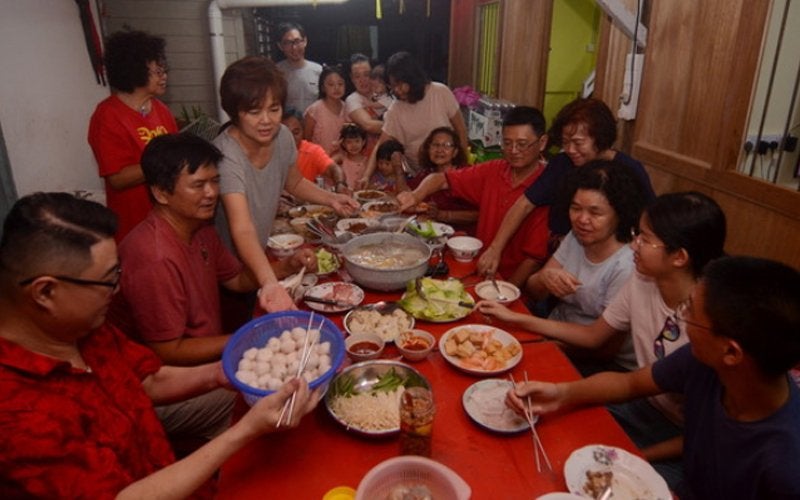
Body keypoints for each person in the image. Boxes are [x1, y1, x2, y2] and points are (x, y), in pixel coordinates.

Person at [0, 192, 318, 498]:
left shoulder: (76, 328)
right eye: (109, 279)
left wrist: (220, 373)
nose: (118, 289)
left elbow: (147, 379)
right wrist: (245, 431)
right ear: (45, 293)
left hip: (165, 469)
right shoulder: (16, 414)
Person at [480, 191, 727, 487]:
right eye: (638, 233)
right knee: (546, 437)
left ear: (680, 257)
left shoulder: (709, 326)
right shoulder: (644, 278)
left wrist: (634, 457)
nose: (633, 244)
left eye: (644, 239)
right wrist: (520, 323)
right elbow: (602, 345)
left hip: (685, 444)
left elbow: (709, 437)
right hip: (641, 404)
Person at [507, 256, 800, 498]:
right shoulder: (707, 362)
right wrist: (561, 394)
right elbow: (629, 383)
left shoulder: (786, 464)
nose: (680, 317)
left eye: (690, 312)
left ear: (732, 353)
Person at [214, 56, 359, 313]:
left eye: (274, 108)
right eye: (254, 111)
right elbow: (243, 227)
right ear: (234, 111)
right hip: (226, 265)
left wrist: (331, 198)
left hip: (258, 255)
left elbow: (294, 181)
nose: (267, 120)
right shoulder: (226, 155)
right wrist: (270, 282)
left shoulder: (281, 136)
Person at [477, 97, 656, 276]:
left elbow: (650, 221)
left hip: (609, 261)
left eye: (578, 143)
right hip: (562, 254)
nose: (570, 149)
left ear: (600, 138)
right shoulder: (562, 164)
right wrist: (495, 249)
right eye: (565, 142)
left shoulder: (630, 170)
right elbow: (524, 204)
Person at [397, 106, 550, 287]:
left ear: (542, 142)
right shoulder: (494, 170)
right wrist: (415, 195)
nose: (513, 150)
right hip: (477, 270)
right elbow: (441, 179)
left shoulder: (546, 185)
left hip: (510, 282)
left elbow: (533, 258)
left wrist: (509, 292)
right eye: (507, 143)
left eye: (522, 144)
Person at [527, 160, 646, 367]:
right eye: (576, 208)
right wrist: (544, 278)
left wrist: (544, 344)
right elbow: (534, 290)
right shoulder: (576, 236)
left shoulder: (627, 265)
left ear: (620, 214)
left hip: (597, 362)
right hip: (553, 328)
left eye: (595, 213)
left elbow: (605, 350)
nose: (582, 219)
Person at [88, 30, 178, 243]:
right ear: (134, 70)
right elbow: (118, 178)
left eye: (164, 70)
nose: (164, 76)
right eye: (157, 71)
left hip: (167, 219)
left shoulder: (161, 110)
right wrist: (163, 161)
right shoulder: (107, 115)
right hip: (135, 226)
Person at [359, 51, 468, 187]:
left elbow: (461, 130)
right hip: (419, 177)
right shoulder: (396, 109)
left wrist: (464, 168)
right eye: (393, 87)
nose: (397, 91)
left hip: (450, 174)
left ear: (413, 78)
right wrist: (366, 176)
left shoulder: (440, 92)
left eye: (400, 84)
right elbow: (381, 144)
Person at [409, 126, 478, 232]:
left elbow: (478, 214)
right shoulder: (425, 174)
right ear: (428, 149)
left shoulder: (467, 175)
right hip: (431, 233)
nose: (440, 150)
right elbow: (410, 196)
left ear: (455, 152)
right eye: (435, 145)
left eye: (447, 145)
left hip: (462, 238)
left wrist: (442, 215)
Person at [281, 108, 347, 192]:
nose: (291, 138)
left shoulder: (312, 151)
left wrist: (340, 184)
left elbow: (334, 169)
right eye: (285, 133)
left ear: (303, 132)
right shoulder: (267, 151)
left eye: (296, 133)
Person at [275, 22, 322, 113]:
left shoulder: (318, 70)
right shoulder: (276, 72)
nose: (294, 47)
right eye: (288, 43)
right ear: (280, 46)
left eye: (297, 41)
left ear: (305, 41)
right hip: (287, 126)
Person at [303, 65, 348, 155]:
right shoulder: (314, 110)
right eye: (331, 84)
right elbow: (306, 140)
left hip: (343, 160)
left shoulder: (348, 108)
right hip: (319, 160)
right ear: (323, 87)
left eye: (340, 84)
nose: (336, 88)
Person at [344, 53, 383, 152]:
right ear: (352, 78)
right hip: (363, 156)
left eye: (367, 74)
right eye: (357, 76)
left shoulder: (384, 94)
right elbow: (368, 125)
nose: (363, 80)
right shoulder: (352, 99)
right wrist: (398, 126)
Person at [335, 122, 369, 189]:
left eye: (357, 141)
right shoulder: (341, 157)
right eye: (349, 142)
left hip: (361, 195)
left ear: (363, 142)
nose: (354, 145)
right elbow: (327, 163)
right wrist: (334, 148)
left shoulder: (367, 160)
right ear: (343, 144)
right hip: (344, 193)